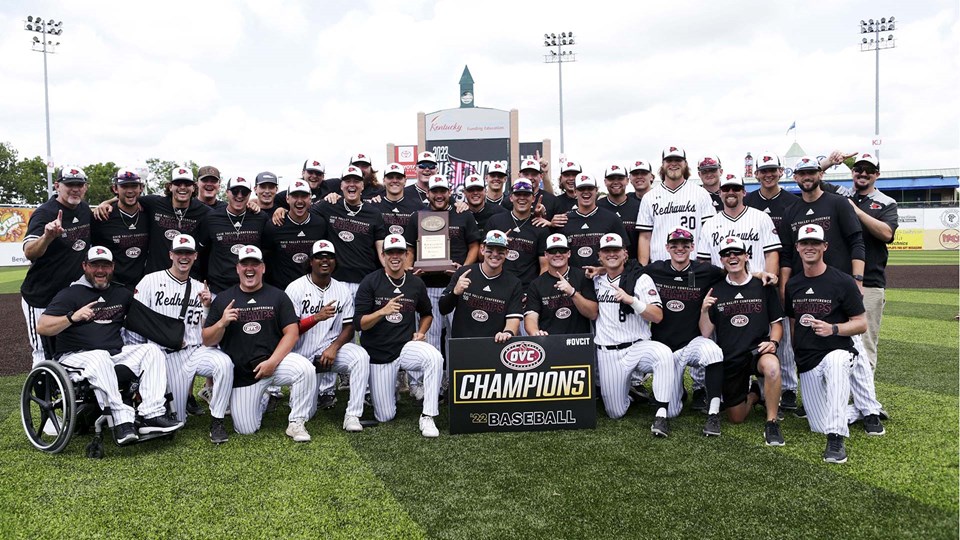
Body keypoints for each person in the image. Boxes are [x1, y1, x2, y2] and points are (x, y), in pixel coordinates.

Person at [37, 246, 181, 443]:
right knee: (100, 356)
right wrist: (72, 317)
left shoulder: (120, 294)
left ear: (113, 267)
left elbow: (146, 320)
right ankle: (122, 421)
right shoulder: (69, 294)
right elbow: (43, 327)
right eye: (95, 265)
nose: (100, 271)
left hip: (112, 354)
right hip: (74, 356)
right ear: (85, 266)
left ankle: (152, 414)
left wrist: (174, 336)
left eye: (105, 265)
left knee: (152, 351)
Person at [202, 245, 317, 441]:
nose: (250, 269)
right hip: (245, 374)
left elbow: (292, 332)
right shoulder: (224, 299)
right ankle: (263, 400)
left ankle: (296, 422)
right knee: (246, 429)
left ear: (263, 267)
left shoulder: (278, 296)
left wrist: (273, 362)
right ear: (237, 268)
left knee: (305, 369)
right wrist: (222, 323)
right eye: (245, 264)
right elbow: (207, 339)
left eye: (254, 264)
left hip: (276, 364)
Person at [130, 234, 234, 443]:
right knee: (179, 421)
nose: (183, 257)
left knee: (224, 363)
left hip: (195, 351)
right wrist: (137, 362)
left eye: (188, 253)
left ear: (195, 256)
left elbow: (207, 332)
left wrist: (207, 307)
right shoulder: (150, 281)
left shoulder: (200, 288)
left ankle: (217, 420)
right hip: (162, 355)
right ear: (171, 254)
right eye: (179, 253)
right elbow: (135, 321)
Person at [783, 224, 868, 463]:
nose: (810, 247)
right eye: (805, 243)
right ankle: (860, 410)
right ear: (798, 248)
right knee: (818, 425)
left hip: (837, 351)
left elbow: (861, 324)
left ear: (824, 246)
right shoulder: (793, 284)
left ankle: (836, 439)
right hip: (808, 360)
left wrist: (833, 329)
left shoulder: (842, 281)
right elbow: (792, 321)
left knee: (837, 362)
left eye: (815, 243)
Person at [354, 234, 443, 437]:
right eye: (390, 252)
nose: (395, 257)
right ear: (383, 255)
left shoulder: (415, 283)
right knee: (385, 415)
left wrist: (421, 332)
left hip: (406, 347)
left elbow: (427, 314)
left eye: (399, 252)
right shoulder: (370, 282)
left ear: (406, 255)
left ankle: (428, 416)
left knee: (434, 357)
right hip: (379, 353)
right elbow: (360, 324)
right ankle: (391, 391)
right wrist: (381, 312)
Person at [700, 236, 785, 444]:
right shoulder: (716, 289)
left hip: (758, 351)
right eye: (727, 254)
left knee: (772, 366)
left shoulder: (762, 285)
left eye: (737, 252)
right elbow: (704, 332)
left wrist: (773, 343)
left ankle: (772, 422)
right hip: (731, 357)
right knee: (736, 418)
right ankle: (755, 393)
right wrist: (704, 310)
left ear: (747, 256)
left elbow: (776, 324)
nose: (732, 257)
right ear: (721, 260)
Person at [591, 233, 677, 436]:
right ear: (600, 256)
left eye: (616, 250)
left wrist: (632, 301)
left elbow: (657, 316)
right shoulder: (595, 280)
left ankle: (661, 414)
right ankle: (630, 390)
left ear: (625, 253)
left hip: (638, 346)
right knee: (615, 412)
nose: (611, 254)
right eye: (607, 251)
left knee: (664, 354)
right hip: (609, 352)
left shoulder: (641, 278)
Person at [644, 228, 725, 430]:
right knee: (672, 410)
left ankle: (714, 413)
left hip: (691, 343)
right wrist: (601, 270)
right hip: (664, 350)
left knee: (713, 351)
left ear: (692, 247)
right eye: (675, 245)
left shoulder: (706, 271)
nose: (680, 248)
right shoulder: (655, 270)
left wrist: (759, 274)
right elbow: (626, 270)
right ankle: (677, 390)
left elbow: (733, 273)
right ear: (667, 248)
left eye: (685, 245)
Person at [285, 240, 370, 432]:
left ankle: (353, 415)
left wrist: (334, 347)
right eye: (319, 257)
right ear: (310, 261)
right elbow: (288, 329)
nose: (325, 261)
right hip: (302, 355)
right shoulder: (295, 288)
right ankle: (298, 416)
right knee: (308, 413)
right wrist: (316, 318)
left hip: (331, 351)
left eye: (329, 257)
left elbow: (349, 326)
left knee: (360, 356)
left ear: (334, 261)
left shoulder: (342, 290)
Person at [826, 151, 899, 372]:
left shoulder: (886, 202)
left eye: (869, 170)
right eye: (859, 169)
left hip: (869, 281)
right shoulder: (841, 193)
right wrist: (829, 162)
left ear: (877, 174)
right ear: (852, 171)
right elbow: (810, 178)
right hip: (837, 279)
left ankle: (865, 401)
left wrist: (856, 211)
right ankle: (838, 393)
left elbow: (887, 234)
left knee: (865, 343)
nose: (863, 174)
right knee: (833, 340)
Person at [743, 151, 800, 410]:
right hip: (746, 277)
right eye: (763, 170)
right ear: (756, 174)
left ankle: (788, 387)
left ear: (780, 172)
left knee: (783, 334)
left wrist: (779, 281)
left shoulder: (791, 201)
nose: (768, 174)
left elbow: (784, 248)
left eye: (772, 170)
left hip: (777, 277)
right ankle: (752, 385)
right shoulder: (748, 200)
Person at [21, 166, 93, 366]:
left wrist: (107, 202)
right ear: (57, 186)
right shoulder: (45, 213)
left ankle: (64, 394)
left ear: (85, 187)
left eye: (79, 185)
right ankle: (43, 393)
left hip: (69, 296)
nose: (75, 189)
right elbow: (29, 251)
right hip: (41, 295)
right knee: (43, 350)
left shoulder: (85, 209)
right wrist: (47, 237)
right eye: (69, 184)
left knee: (70, 346)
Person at [439, 230, 524, 342]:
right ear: (482, 249)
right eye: (490, 250)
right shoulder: (464, 273)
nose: (495, 254)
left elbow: (513, 317)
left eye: (500, 251)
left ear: (507, 253)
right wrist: (455, 293)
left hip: (494, 343)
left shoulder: (513, 283)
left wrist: (507, 333)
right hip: (462, 343)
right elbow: (443, 308)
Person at [636, 146, 716, 265]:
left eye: (678, 160)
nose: (673, 164)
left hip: (694, 265)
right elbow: (645, 237)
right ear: (663, 164)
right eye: (669, 160)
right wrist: (642, 268)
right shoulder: (649, 197)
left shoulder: (701, 193)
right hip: (660, 266)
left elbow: (710, 232)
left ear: (685, 164)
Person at [697, 173, 780, 276]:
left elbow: (771, 254)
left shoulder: (761, 218)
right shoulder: (709, 224)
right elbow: (704, 262)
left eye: (736, 188)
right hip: (722, 284)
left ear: (744, 192)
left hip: (757, 283)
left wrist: (768, 280)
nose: (731, 192)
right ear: (719, 193)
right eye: (726, 189)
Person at [523, 233, 598, 336]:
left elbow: (593, 313)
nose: (558, 254)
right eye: (553, 251)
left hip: (579, 342)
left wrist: (573, 293)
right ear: (546, 255)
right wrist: (535, 332)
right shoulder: (536, 284)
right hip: (549, 341)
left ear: (569, 253)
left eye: (562, 251)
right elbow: (531, 316)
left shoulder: (582, 277)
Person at [203, 176, 267, 294]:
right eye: (235, 191)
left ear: (250, 194)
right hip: (219, 288)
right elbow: (203, 252)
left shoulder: (260, 217)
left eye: (244, 192)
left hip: (252, 288)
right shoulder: (211, 218)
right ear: (227, 192)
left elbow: (268, 250)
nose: (239, 195)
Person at [262, 179, 329, 290]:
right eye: (295, 196)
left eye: (304, 196)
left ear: (310, 199)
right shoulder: (275, 225)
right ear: (287, 199)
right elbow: (266, 256)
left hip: (312, 288)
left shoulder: (320, 224)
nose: (299, 201)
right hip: (282, 289)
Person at [485, 179, 549, 294]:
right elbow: (482, 256)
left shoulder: (540, 227)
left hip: (526, 290)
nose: (522, 198)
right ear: (511, 198)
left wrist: (533, 293)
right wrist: (496, 243)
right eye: (518, 194)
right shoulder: (495, 221)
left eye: (526, 195)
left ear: (533, 198)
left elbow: (545, 266)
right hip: (496, 288)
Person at [555, 174, 630, 270]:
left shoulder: (612, 218)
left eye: (590, 188)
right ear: (575, 192)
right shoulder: (564, 220)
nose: (586, 192)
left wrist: (602, 270)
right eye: (581, 189)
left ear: (596, 191)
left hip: (604, 278)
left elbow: (625, 254)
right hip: (573, 279)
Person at [91, 167, 149, 289]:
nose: (130, 191)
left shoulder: (149, 213)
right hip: (112, 286)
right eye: (124, 186)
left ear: (141, 188)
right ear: (115, 188)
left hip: (142, 286)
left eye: (134, 186)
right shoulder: (103, 216)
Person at [597, 164, 641, 261]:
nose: (616, 182)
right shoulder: (597, 207)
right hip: (604, 266)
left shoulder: (639, 206)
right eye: (611, 179)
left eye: (620, 178)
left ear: (627, 180)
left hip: (633, 264)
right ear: (605, 182)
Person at [376, 162, 424, 236]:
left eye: (399, 177)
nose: (395, 181)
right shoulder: (374, 206)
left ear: (405, 180)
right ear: (384, 181)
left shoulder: (418, 207)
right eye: (390, 177)